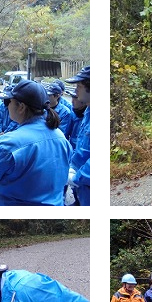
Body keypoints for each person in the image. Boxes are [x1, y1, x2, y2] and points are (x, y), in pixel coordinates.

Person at [0, 79, 71, 205]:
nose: (6, 106)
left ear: (21, 107)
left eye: (8, 102)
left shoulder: (7, 145)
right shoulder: (62, 139)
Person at [66, 65, 90, 206]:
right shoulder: (88, 111)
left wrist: (76, 177)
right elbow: (82, 146)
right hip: (81, 185)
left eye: (79, 86)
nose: (75, 91)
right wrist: (72, 166)